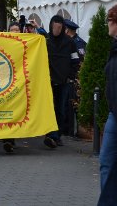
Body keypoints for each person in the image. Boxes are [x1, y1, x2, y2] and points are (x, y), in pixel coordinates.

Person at [98, 3, 117, 206]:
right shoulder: (116, 46)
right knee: (107, 163)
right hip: (115, 115)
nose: (107, 24)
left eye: (109, 20)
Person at [44, 15, 79, 148]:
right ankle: (50, 134)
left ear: (63, 27)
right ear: (51, 26)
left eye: (59, 28)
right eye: (54, 27)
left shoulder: (70, 42)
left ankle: (55, 136)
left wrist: (70, 76)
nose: (56, 30)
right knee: (49, 108)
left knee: (60, 110)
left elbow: (75, 60)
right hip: (48, 81)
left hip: (64, 81)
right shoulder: (45, 40)